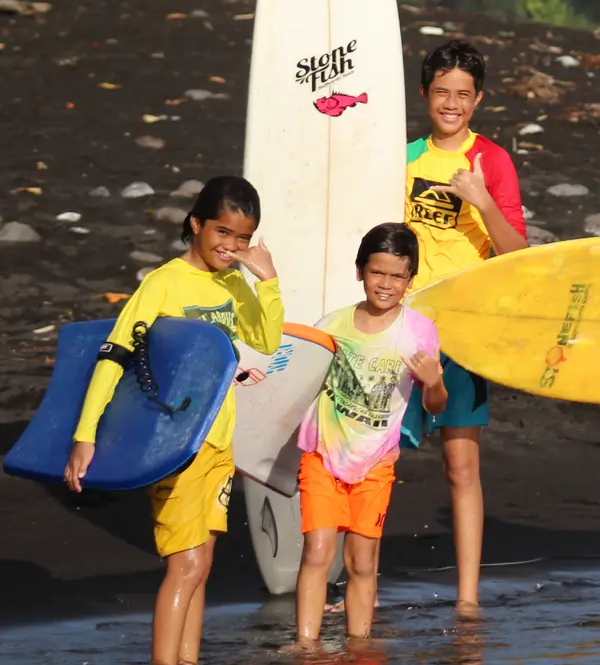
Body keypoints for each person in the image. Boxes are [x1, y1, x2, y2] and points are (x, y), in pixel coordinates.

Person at [63, 176, 283, 665]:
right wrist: (85, 435)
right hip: (174, 445)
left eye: (243, 238)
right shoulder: (162, 283)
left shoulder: (233, 281)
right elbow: (115, 354)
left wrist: (267, 282)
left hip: (219, 442)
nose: (231, 246)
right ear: (196, 224)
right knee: (184, 565)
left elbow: (266, 341)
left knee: (201, 563)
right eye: (222, 232)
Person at [399, 39, 527, 607]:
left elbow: (516, 252)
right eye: (442, 92)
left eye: (464, 95)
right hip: (397, 324)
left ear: (478, 100)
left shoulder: (491, 161)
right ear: (425, 93)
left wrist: (481, 201)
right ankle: (356, 583)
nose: (452, 104)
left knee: (460, 466)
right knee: (371, 460)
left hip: (463, 330)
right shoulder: (399, 158)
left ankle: (468, 597)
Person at [296, 223, 446, 643]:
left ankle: (359, 647)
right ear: (360, 270)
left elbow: (436, 406)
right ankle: (306, 646)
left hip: (377, 462)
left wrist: (434, 382)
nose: (386, 284)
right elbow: (301, 380)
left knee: (362, 562)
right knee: (317, 553)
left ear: (410, 280)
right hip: (323, 453)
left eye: (398, 276)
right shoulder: (332, 325)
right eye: (378, 272)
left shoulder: (419, 332)